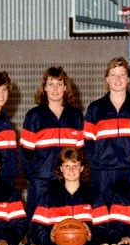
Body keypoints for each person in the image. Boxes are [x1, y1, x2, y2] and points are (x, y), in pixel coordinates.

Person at [84, 57, 130, 204]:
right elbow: (87, 144)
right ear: (107, 79)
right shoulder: (95, 109)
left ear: (128, 79)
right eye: (113, 74)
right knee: (103, 217)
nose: (118, 79)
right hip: (103, 174)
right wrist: (97, 164)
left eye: (122, 74)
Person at [20, 66, 85, 218]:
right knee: (38, 224)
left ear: (65, 87)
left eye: (59, 83)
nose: (55, 88)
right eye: (51, 84)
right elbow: (25, 154)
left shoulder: (75, 116)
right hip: (41, 182)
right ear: (44, 88)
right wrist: (35, 177)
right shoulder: (34, 116)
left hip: (68, 181)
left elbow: (81, 153)